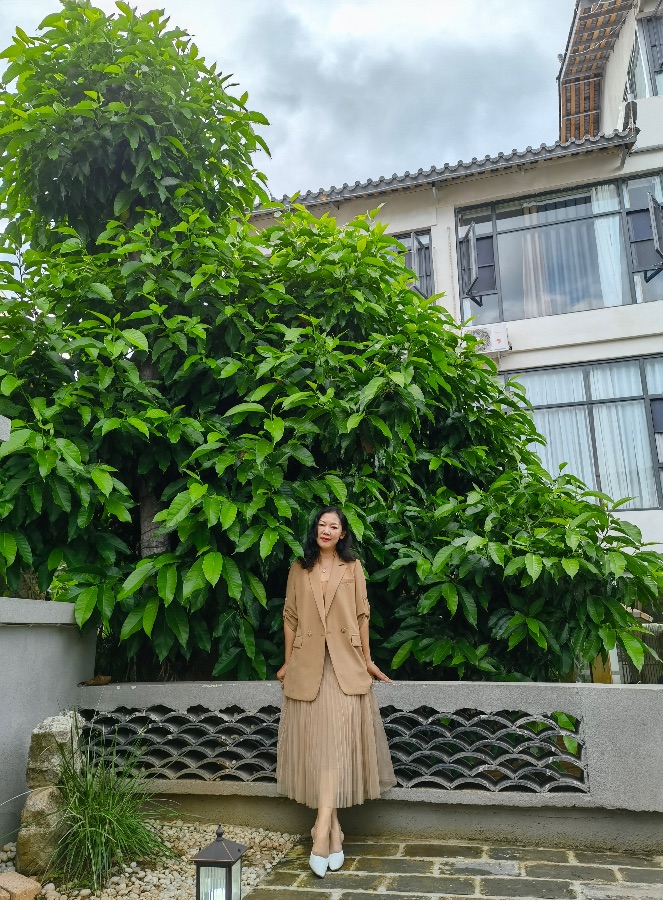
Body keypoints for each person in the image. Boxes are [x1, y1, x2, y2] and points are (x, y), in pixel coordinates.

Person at [276, 506, 396, 878]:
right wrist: (287, 662)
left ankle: (320, 830)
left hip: (346, 663)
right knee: (323, 747)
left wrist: (368, 660)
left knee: (335, 744)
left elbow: (362, 615)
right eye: (321, 525)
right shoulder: (299, 568)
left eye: (333, 526)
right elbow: (290, 617)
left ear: (342, 534)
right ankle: (333, 830)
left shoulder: (353, 567)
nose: (326, 530)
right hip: (308, 666)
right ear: (314, 530)